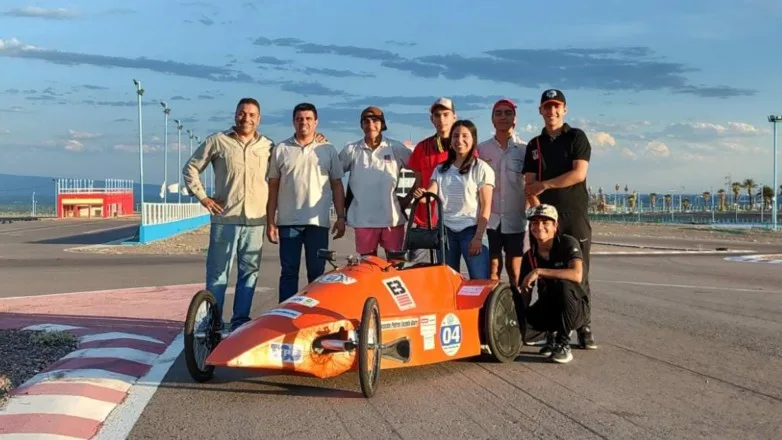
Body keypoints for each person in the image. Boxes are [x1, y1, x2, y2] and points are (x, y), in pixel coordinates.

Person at [182, 97, 272, 331]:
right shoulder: (218, 141)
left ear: (259, 119)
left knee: (249, 274)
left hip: (255, 221)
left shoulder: (268, 146)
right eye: (242, 113)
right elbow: (191, 168)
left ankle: (240, 321)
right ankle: (211, 322)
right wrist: (203, 197)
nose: (247, 118)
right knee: (218, 274)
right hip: (225, 220)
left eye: (252, 115)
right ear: (235, 115)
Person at [522, 88, 597, 350]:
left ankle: (583, 325)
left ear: (564, 109)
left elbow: (578, 174)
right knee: (545, 273)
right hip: (546, 222)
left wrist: (545, 185)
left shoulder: (577, 137)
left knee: (579, 272)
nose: (551, 111)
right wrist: (540, 214)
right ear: (540, 110)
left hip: (573, 215)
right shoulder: (534, 145)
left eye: (556, 106)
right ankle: (553, 328)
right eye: (547, 106)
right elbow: (529, 185)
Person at [266, 102, 346, 303]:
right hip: (288, 222)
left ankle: (314, 317)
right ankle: (284, 316)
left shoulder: (327, 149)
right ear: (293, 121)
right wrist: (270, 221)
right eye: (300, 118)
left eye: (309, 119)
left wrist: (341, 217)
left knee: (317, 275)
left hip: (317, 223)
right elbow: (273, 186)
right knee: (289, 273)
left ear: (316, 122)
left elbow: (337, 184)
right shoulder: (281, 148)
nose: (304, 122)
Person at [413, 120, 494, 279]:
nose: (459, 140)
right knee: (448, 281)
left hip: (471, 230)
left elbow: (486, 206)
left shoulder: (481, 168)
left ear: (473, 140)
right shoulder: (440, 169)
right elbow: (430, 196)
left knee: (479, 280)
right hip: (445, 231)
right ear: (450, 141)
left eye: (465, 136)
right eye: (455, 136)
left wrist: (478, 237)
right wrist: (421, 194)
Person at [512, 204, 588, 364]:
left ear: (555, 226)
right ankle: (549, 335)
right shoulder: (529, 256)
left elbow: (577, 274)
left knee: (563, 285)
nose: (539, 226)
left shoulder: (567, 243)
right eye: (534, 222)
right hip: (548, 308)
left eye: (545, 222)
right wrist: (516, 320)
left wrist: (539, 271)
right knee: (516, 329)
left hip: (574, 308)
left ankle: (563, 343)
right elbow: (525, 294)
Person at [339, 106, 412, 256]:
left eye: (375, 121)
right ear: (361, 125)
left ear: (382, 124)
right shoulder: (351, 150)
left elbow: (417, 170)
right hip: (363, 220)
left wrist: (406, 196)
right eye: (366, 121)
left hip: (393, 219)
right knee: (367, 268)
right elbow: (334, 174)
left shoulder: (396, 147)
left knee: (395, 267)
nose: (370, 125)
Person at [477, 98, 528, 284]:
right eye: (498, 113)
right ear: (492, 119)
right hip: (490, 221)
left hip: (516, 220)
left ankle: (519, 310)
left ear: (515, 118)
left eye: (508, 113)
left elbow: (530, 183)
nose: (503, 117)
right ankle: (494, 310)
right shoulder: (481, 149)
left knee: (515, 272)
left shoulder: (524, 149)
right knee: (492, 270)